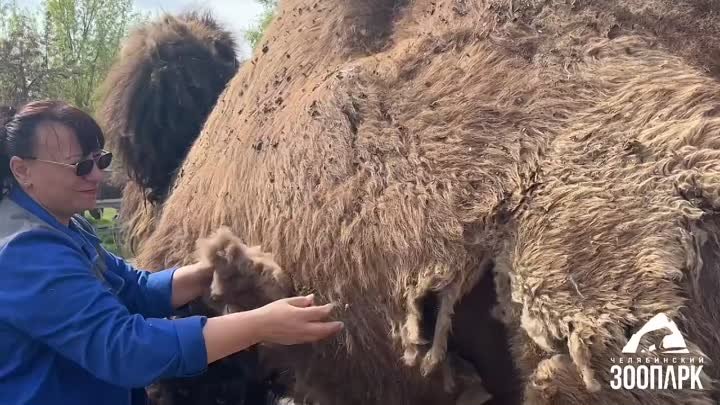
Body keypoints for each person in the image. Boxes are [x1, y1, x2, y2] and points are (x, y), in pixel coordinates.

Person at [0, 100, 344, 405]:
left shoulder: (67, 227)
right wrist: (259, 326)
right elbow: (123, 348)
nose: (98, 175)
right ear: (22, 170)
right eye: (80, 166)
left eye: (100, 160)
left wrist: (209, 272)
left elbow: (131, 288)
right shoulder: (23, 252)